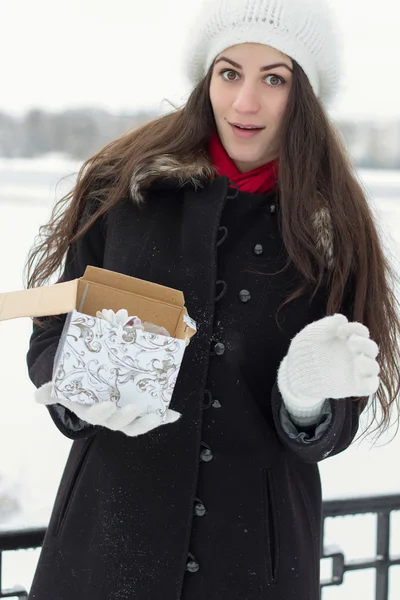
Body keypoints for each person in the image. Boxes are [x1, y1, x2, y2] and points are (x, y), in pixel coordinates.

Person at [24, 0, 400, 598]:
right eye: (230, 73)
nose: (245, 103)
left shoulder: (335, 226)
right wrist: (78, 390)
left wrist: (306, 400)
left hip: (256, 561)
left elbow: (340, 419)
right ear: (207, 79)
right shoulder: (121, 187)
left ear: (305, 95)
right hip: (105, 543)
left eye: (274, 78)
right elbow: (51, 331)